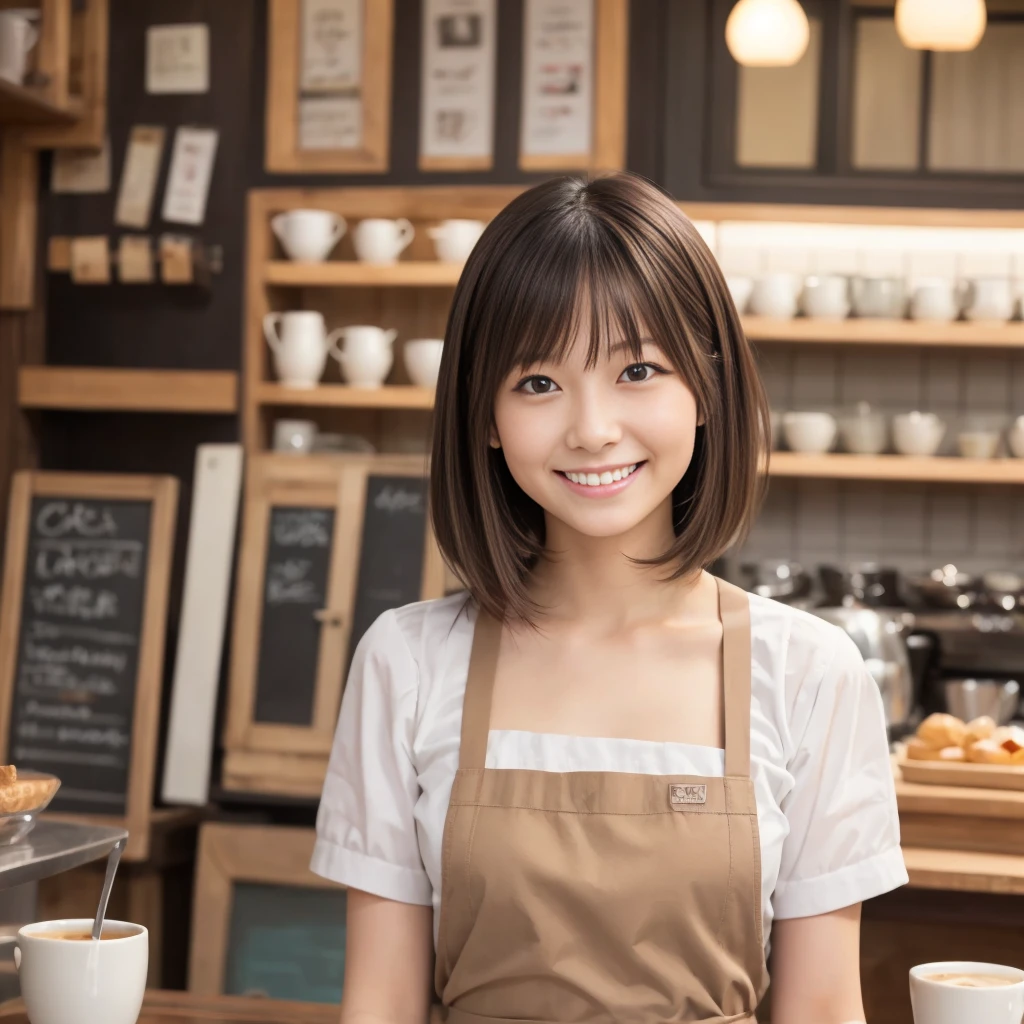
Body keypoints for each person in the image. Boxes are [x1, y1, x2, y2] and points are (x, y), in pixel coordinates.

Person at [311, 173, 907, 1023]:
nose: (591, 428)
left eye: (637, 369)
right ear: (484, 415)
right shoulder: (406, 663)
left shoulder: (810, 674)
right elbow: (379, 1006)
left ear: (705, 389)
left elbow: (819, 1010)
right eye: (538, 383)